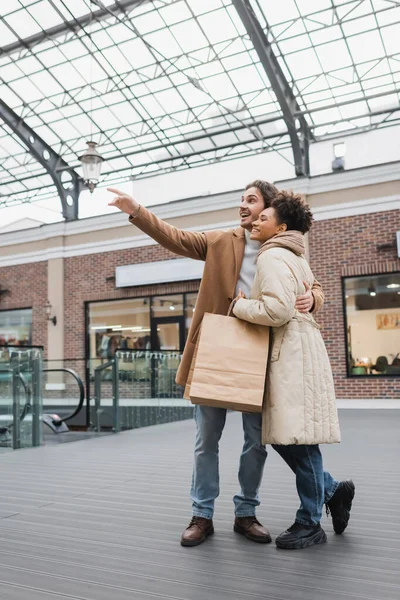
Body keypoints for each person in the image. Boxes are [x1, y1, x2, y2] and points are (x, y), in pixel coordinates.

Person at [107, 181, 353, 547]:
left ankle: (246, 513)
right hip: (216, 349)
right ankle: (201, 515)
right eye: (241, 199)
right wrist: (135, 210)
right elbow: (175, 237)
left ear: (270, 211)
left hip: (261, 353)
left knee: (256, 442)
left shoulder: (283, 246)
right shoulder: (221, 240)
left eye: (251, 200)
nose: (242, 206)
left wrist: (314, 298)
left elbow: (313, 284)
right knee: (206, 439)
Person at [232, 191, 355, 549]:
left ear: (280, 227)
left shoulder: (271, 257)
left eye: (263, 217)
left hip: (289, 354)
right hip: (300, 351)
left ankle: (310, 522)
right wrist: (315, 296)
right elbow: (306, 293)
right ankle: (332, 490)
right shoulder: (294, 254)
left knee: (298, 442)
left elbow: (276, 311)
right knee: (290, 438)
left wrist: (240, 306)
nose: (256, 221)